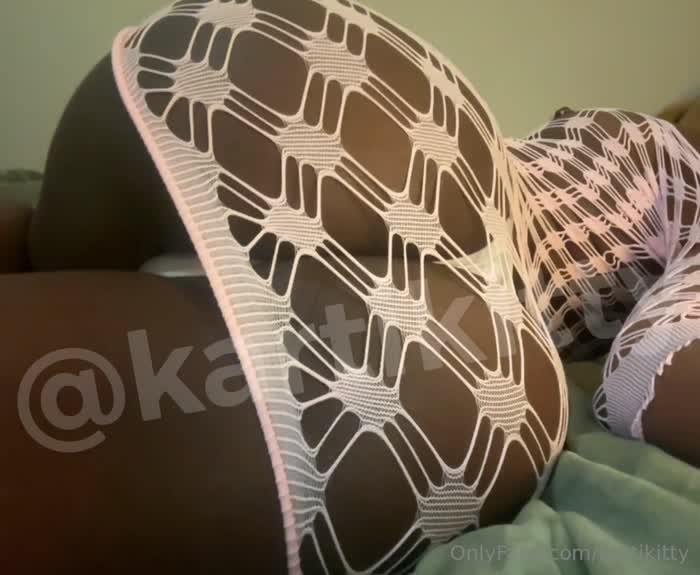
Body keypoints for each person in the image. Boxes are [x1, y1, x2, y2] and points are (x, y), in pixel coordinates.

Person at [4, 1, 698, 573]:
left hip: (360, 91)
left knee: (41, 246)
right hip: (466, 328)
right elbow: (650, 379)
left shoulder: (608, 128)